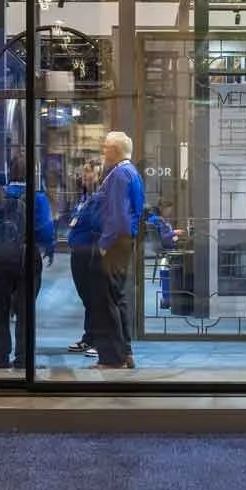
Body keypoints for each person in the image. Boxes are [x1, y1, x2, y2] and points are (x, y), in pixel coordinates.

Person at [0, 156, 54, 370]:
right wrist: (48, 250)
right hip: (26, 258)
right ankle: (23, 359)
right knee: (25, 311)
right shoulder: (37, 197)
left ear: (9, 171)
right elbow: (45, 231)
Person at [92, 131, 144, 370]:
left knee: (109, 300)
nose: (103, 151)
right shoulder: (132, 172)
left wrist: (104, 244)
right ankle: (125, 352)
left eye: (105, 147)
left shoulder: (119, 174)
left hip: (115, 243)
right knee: (117, 297)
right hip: (124, 240)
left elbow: (118, 215)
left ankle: (114, 358)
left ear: (115, 150)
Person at [66, 159, 103, 357]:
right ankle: (89, 337)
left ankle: (100, 341)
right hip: (78, 253)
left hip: (92, 252)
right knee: (87, 299)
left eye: (90, 172)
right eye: (84, 172)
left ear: (99, 175)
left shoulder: (101, 198)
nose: (85, 176)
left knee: (96, 297)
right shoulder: (84, 197)